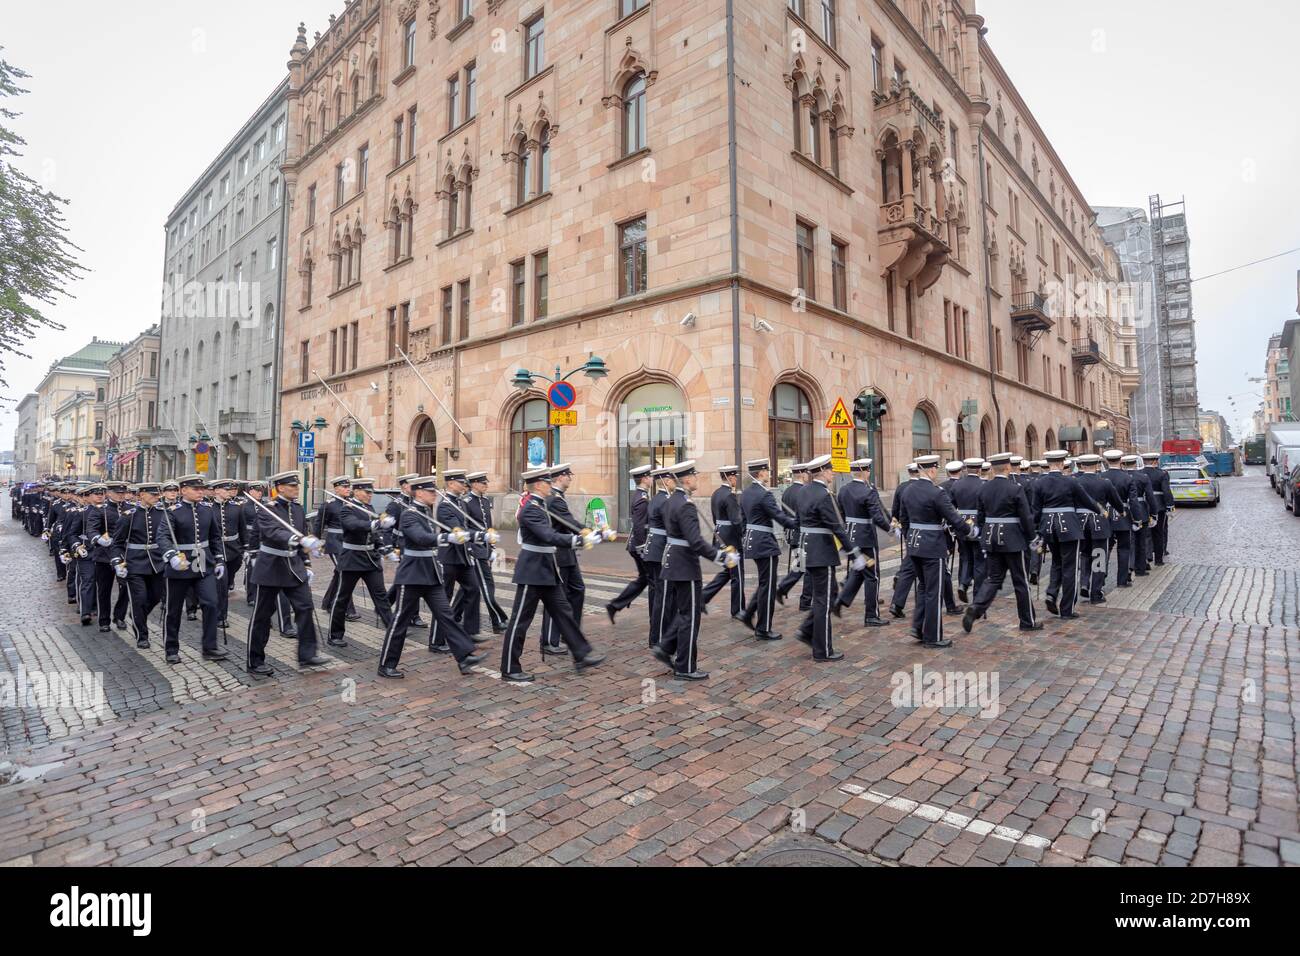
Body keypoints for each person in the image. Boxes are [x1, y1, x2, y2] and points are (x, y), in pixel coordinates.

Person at [499, 467, 605, 682]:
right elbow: (548, 536)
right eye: (547, 482)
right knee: (520, 620)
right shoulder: (530, 508)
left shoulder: (540, 504)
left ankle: (581, 654)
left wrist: (587, 533)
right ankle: (509, 667)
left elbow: (561, 528)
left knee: (564, 613)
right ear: (538, 485)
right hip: (532, 570)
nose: (551, 485)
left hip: (546, 568)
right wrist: (578, 541)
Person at [378, 475, 484, 679]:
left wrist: (475, 537)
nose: (434, 494)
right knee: (400, 621)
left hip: (430, 574)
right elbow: (421, 538)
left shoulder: (426, 512)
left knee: (447, 616)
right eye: (430, 491)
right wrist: (447, 537)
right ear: (418, 492)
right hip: (412, 575)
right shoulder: (410, 514)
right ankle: (386, 664)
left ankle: (464, 656)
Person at [654, 461, 739, 679]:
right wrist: (721, 556)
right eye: (695, 476)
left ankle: (666, 647)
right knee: (690, 617)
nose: (697, 479)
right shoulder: (685, 505)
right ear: (687, 479)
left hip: (673, 563)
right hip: (685, 566)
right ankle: (685, 667)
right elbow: (695, 541)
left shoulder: (672, 501)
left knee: (685, 612)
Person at [244, 472, 329, 677]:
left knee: (305, 607)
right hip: (271, 567)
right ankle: (255, 661)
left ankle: (307, 654)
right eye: (291, 486)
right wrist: (297, 539)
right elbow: (273, 533)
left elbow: (303, 538)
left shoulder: (298, 509)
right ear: (280, 488)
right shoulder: (267, 509)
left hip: (293, 566)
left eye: (297, 486)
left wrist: (307, 563)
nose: (296, 489)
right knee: (262, 616)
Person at [898, 455, 977, 648]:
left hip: (914, 545)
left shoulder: (907, 490)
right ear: (931, 470)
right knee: (934, 591)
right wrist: (970, 531)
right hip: (932, 546)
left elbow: (903, 519)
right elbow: (954, 518)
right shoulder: (936, 493)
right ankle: (933, 636)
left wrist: (910, 538)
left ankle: (918, 626)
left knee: (923, 587)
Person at [792, 454, 865, 662]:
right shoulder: (824, 495)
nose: (833, 473)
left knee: (827, 594)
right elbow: (837, 528)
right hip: (822, 552)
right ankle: (822, 650)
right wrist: (854, 553)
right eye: (830, 470)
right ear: (823, 472)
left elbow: (797, 523)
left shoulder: (803, 491)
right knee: (824, 600)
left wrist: (798, 551)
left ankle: (807, 630)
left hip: (807, 549)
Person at [962, 453, 1042, 634]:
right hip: (1013, 539)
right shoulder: (1015, 488)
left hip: (991, 538)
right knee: (1020, 581)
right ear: (1008, 468)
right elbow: (1026, 517)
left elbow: (980, 517)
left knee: (993, 578)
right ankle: (1027, 621)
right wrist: (1032, 538)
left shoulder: (984, 488)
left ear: (992, 468)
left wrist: (983, 533)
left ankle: (976, 607)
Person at [158, 475, 229, 664]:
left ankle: (210, 646)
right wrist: (171, 556)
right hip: (180, 566)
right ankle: (171, 648)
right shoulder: (173, 511)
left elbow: (215, 537)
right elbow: (163, 537)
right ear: (183, 491)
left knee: (211, 604)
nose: (200, 491)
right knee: (173, 610)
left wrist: (220, 559)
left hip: (204, 565)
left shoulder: (207, 510)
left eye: (201, 488)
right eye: (195, 489)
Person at [327, 478, 396, 648]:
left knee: (380, 595)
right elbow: (354, 525)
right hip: (352, 558)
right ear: (356, 491)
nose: (370, 495)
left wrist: (383, 548)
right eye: (367, 492)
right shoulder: (347, 508)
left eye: (371, 492)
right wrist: (375, 523)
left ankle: (393, 628)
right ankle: (335, 634)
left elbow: (374, 535)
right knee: (342, 598)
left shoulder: (369, 507)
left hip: (370, 559)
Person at [737, 458, 799, 641]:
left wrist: (745, 537)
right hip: (764, 543)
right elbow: (779, 517)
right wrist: (799, 524)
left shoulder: (746, 493)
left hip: (751, 541)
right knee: (769, 586)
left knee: (765, 582)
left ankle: (748, 614)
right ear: (761, 473)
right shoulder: (764, 494)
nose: (770, 474)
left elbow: (742, 520)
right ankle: (763, 628)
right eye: (768, 471)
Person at [1037, 451, 1102, 619]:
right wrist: (1100, 511)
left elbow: (1035, 509)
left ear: (1049, 463)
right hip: (1069, 528)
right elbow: (1087, 500)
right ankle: (1067, 609)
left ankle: (1051, 593)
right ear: (1063, 463)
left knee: (1056, 563)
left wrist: (1038, 531)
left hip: (1049, 527)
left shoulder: (1039, 483)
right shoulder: (1070, 482)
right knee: (1070, 568)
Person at [109, 482, 168, 649]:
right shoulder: (129, 516)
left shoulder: (163, 514)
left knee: (156, 596)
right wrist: (117, 561)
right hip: (134, 563)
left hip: (157, 562)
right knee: (139, 599)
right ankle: (142, 634)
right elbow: (117, 543)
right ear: (141, 495)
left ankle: (136, 614)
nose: (157, 498)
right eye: (153, 495)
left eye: (158, 495)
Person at [834, 458, 892, 626]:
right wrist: (891, 529)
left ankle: (841, 601)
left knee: (860, 570)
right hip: (866, 538)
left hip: (851, 537)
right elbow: (877, 516)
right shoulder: (868, 492)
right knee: (872, 576)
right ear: (866, 471)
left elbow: (841, 514)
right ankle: (871, 615)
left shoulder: (843, 490)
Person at [432, 470, 484, 651]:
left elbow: (466, 527)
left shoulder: (460, 502)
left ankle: (469, 630)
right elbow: (458, 529)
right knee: (443, 598)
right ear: (451, 483)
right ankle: (436, 641)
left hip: (462, 555)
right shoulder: (445, 505)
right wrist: (480, 535)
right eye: (461, 483)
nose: (464, 486)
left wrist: (477, 544)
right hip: (449, 556)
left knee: (474, 589)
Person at [539, 464, 587, 656]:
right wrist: (589, 532)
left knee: (577, 590)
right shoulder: (555, 500)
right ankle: (549, 640)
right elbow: (570, 523)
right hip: (559, 553)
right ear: (559, 477)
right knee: (556, 597)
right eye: (568, 475)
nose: (570, 478)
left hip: (567, 552)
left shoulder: (557, 497)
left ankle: (569, 632)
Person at [454, 471, 509, 634]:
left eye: (486, 483)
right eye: (483, 483)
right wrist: (471, 548)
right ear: (474, 484)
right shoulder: (466, 501)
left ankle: (454, 615)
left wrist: (491, 547)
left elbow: (488, 526)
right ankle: (497, 620)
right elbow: (465, 527)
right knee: (487, 584)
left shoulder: (485, 500)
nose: (486, 485)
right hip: (474, 548)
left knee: (469, 587)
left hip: (484, 547)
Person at [1075, 454, 1128, 604]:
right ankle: (1096, 593)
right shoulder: (1104, 482)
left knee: (1084, 554)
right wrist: (1122, 511)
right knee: (1099, 556)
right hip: (1099, 523)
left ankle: (1084, 583)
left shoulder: (1075, 482)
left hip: (1080, 523)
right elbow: (1116, 501)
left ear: (1082, 466)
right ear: (1097, 465)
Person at [606, 464, 654, 624]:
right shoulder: (642, 498)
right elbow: (640, 526)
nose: (652, 479)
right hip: (639, 545)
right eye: (650, 476)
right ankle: (656, 616)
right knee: (652, 579)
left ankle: (615, 605)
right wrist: (643, 549)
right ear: (645, 479)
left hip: (636, 544)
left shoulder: (640, 495)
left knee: (644, 578)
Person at [701, 465, 746, 617]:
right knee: (737, 574)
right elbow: (736, 520)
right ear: (730, 477)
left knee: (728, 572)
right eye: (734, 477)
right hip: (731, 540)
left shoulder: (716, 493)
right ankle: (738, 609)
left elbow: (715, 518)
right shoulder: (729, 495)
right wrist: (742, 534)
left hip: (721, 536)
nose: (736, 479)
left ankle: (703, 597)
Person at [385, 475, 426, 628]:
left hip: (418, 547)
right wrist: (389, 548)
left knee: (407, 581)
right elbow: (387, 529)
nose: (415, 488)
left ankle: (385, 603)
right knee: (412, 581)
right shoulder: (396, 505)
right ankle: (413, 615)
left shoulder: (419, 503)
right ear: (403, 486)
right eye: (411, 485)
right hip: (402, 547)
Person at [318, 476, 359, 621]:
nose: (348, 489)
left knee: (338, 574)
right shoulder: (329, 505)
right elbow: (319, 525)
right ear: (336, 488)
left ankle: (328, 602)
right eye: (344, 487)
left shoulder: (353, 504)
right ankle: (348, 609)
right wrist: (317, 544)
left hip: (348, 542)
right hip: (335, 542)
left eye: (349, 486)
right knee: (345, 573)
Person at [641, 467, 673, 648]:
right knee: (663, 596)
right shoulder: (666, 501)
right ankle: (658, 637)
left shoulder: (655, 499)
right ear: (667, 482)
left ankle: (657, 634)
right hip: (661, 550)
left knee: (658, 595)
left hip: (652, 549)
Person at [949, 459, 986, 603]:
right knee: (979, 561)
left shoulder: (957, 484)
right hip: (978, 525)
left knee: (965, 557)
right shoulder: (983, 485)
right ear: (979, 469)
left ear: (966, 469)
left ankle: (963, 583)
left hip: (961, 524)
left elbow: (951, 506)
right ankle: (977, 596)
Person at [888, 463, 921, 617]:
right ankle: (949, 604)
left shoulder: (902, 487)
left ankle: (897, 602)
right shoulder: (927, 488)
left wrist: (904, 531)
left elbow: (896, 510)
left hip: (910, 532)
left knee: (909, 566)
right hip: (927, 535)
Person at [774, 463, 809, 606]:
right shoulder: (804, 491)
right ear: (801, 474)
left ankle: (787, 590)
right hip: (802, 534)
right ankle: (803, 599)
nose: (808, 475)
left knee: (801, 565)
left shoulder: (787, 491)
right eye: (806, 473)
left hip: (791, 533)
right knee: (805, 567)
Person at [1124, 455, 1158, 576]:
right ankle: (1140, 568)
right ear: (1135, 463)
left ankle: (1128, 567)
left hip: (1124, 511)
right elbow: (1150, 496)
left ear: (1124, 464)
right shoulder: (1143, 477)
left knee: (1128, 542)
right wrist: (1154, 513)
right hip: (1142, 510)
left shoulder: (1122, 477)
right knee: (1141, 542)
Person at [1141, 452, 1174, 564]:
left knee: (1144, 533)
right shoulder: (1162, 474)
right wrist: (1170, 506)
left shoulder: (1139, 473)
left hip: (1143, 506)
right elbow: (1166, 491)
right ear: (1156, 461)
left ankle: (1147, 556)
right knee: (1158, 532)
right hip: (1159, 506)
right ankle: (1158, 560)